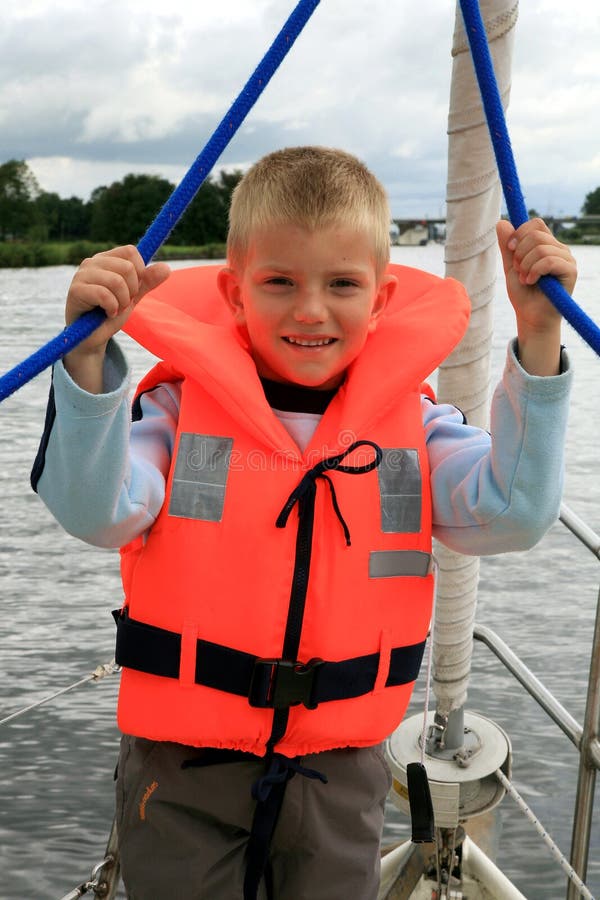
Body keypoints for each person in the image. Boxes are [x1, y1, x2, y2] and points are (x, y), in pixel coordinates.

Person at [32, 147, 576, 900]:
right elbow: (95, 512)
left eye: (342, 285)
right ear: (233, 291)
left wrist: (539, 334)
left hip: (341, 768)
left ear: (381, 299)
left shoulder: (414, 429)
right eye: (280, 282)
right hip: (180, 767)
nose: (311, 309)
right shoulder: (177, 409)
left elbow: (513, 514)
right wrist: (88, 356)